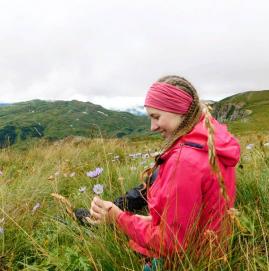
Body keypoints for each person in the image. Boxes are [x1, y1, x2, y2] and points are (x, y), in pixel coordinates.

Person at [89, 75, 240, 265]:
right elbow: (196, 219)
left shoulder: (184, 161)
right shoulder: (211, 143)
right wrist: (140, 220)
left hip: (189, 262)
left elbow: (171, 243)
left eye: (156, 117)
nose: (152, 127)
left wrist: (117, 217)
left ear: (179, 110)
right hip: (212, 251)